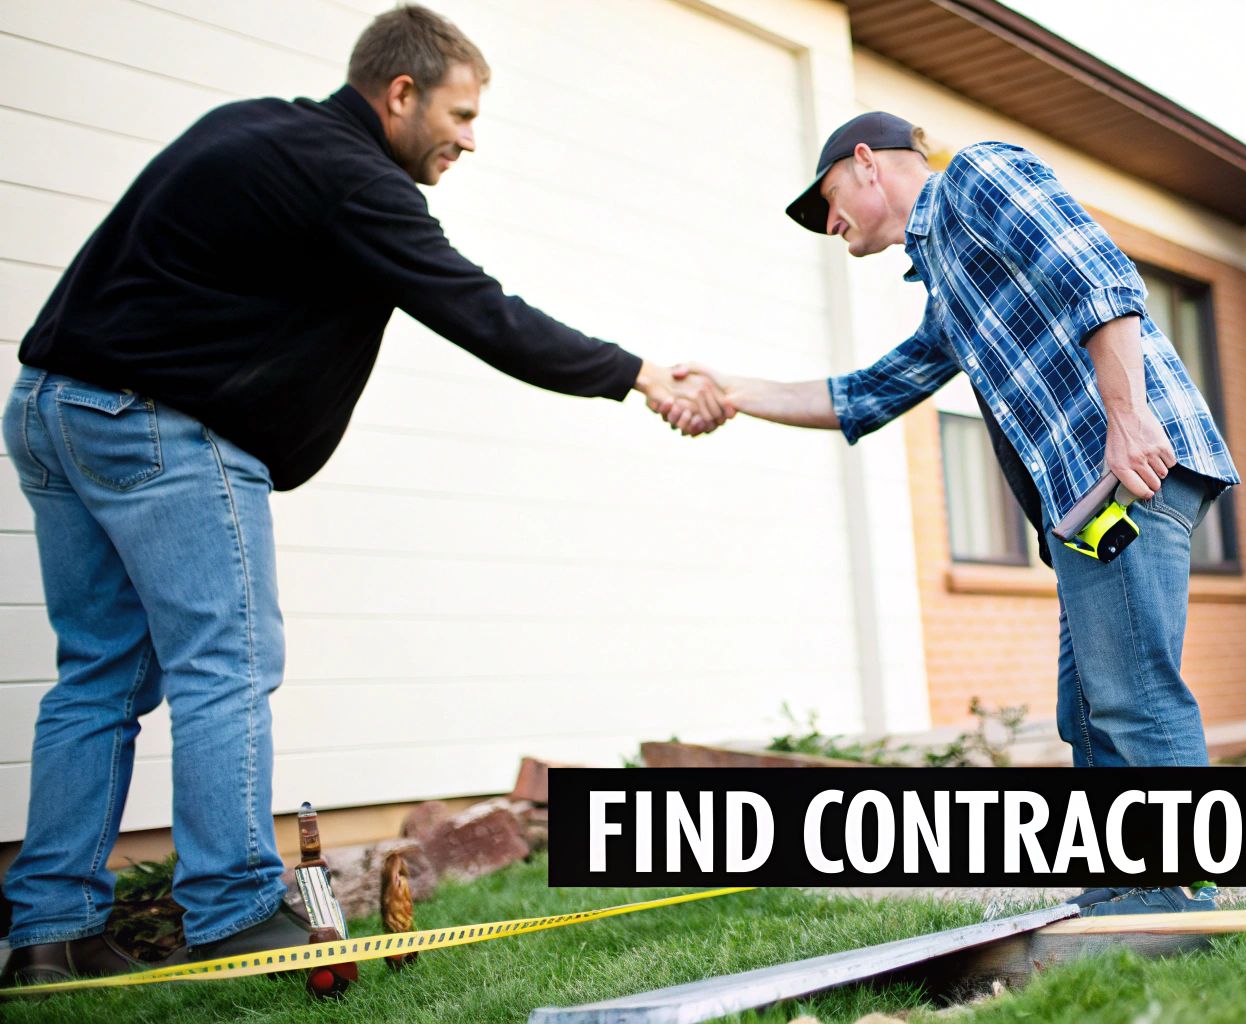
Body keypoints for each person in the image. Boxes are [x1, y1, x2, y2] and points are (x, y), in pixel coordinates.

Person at [0, 5, 726, 986]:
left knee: (99, 675)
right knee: (227, 664)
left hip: (53, 408)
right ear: (400, 95)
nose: (469, 138)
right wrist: (637, 372)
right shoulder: (352, 180)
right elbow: (480, 311)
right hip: (157, 426)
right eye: (461, 115)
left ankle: (49, 933)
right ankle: (231, 910)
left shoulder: (254, 126)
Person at [678, 112, 1241, 915]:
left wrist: (1126, 415)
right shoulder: (950, 279)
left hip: (1128, 469)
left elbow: (1097, 272)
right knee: (1086, 710)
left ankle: (1185, 897)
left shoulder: (978, 177)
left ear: (868, 163)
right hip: (1088, 504)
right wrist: (732, 391)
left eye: (829, 198)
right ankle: (1124, 892)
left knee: (1133, 696)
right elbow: (866, 394)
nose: (828, 222)